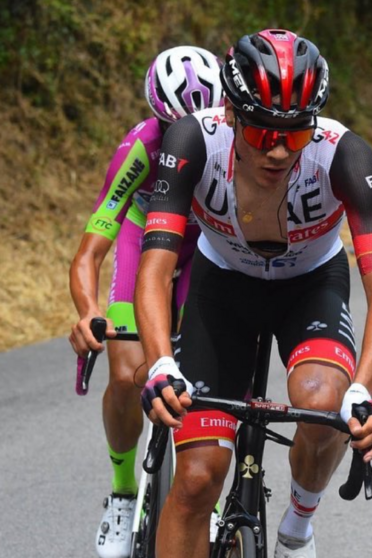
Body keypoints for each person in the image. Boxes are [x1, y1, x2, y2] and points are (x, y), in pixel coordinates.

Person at [134, 28, 372, 558]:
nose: (280, 150)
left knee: (324, 403)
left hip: (310, 288)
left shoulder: (345, 155)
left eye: (295, 133)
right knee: (193, 481)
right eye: (263, 133)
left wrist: (363, 391)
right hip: (222, 291)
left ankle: (299, 524)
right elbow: (155, 268)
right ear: (232, 114)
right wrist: (160, 365)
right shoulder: (193, 140)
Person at [69, 45, 224, 558]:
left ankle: (210, 488)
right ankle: (121, 490)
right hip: (143, 238)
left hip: (201, 242)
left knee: (216, 371)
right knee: (123, 372)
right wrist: (89, 309)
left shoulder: (230, 139)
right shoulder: (139, 147)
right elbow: (91, 251)